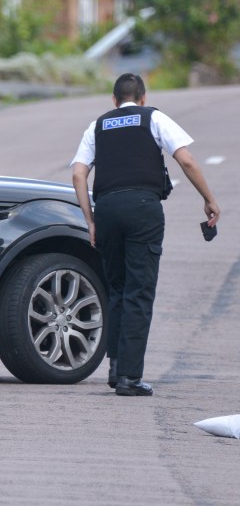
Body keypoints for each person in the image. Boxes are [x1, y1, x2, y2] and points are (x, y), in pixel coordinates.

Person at [71, 73, 220, 397]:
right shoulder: (153, 117)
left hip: (107, 208)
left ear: (114, 100)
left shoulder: (97, 125)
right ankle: (129, 377)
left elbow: (79, 173)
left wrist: (90, 219)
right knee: (139, 289)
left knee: (117, 288)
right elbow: (186, 160)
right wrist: (208, 199)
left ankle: (114, 368)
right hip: (142, 208)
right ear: (143, 98)